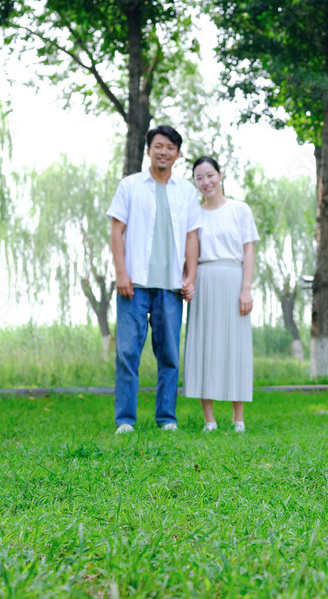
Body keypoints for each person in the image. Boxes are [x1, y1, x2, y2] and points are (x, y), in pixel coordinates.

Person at [107, 125, 201, 434]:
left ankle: (166, 419)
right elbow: (117, 232)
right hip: (134, 285)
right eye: (158, 146)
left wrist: (190, 275)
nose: (164, 152)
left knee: (169, 355)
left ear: (177, 154)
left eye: (170, 147)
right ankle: (125, 420)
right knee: (127, 354)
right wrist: (122, 273)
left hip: (171, 286)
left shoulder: (186, 190)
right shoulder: (130, 186)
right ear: (149, 150)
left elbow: (191, 237)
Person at [183, 156, 260, 433]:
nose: (206, 182)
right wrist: (186, 280)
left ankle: (238, 418)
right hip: (204, 281)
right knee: (205, 345)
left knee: (235, 346)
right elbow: (188, 251)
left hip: (233, 278)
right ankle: (209, 419)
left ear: (221, 175)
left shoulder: (240, 209)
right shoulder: (193, 213)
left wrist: (246, 289)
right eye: (199, 178)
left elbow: (249, 250)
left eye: (210, 175)